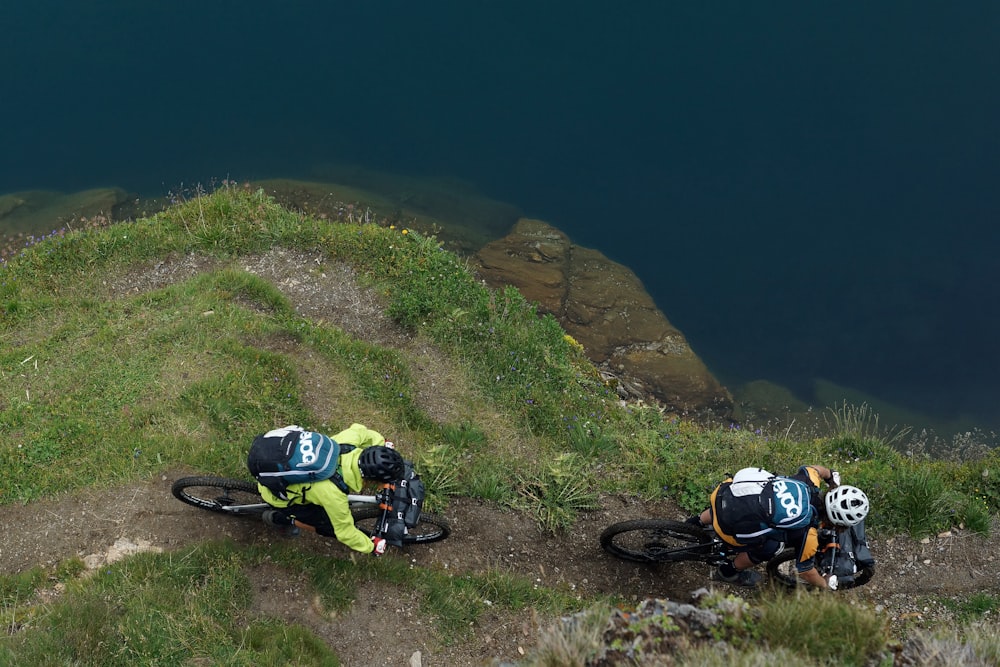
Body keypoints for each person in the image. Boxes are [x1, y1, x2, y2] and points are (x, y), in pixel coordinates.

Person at [691, 465, 870, 589]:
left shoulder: (808, 482)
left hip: (722, 494)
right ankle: (728, 572)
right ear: (837, 523)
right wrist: (825, 582)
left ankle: (696, 522)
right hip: (727, 529)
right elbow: (806, 572)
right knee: (771, 547)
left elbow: (815, 469)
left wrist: (830, 475)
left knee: (744, 499)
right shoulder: (808, 535)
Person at [254, 423, 405, 556]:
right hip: (278, 497)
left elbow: (360, 430)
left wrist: (381, 443)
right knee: (328, 527)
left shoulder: (346, 443)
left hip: (281, 463)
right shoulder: (333, 494)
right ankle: (280, 519)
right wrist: (371, 547)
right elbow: (345, 533)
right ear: (371, 480)